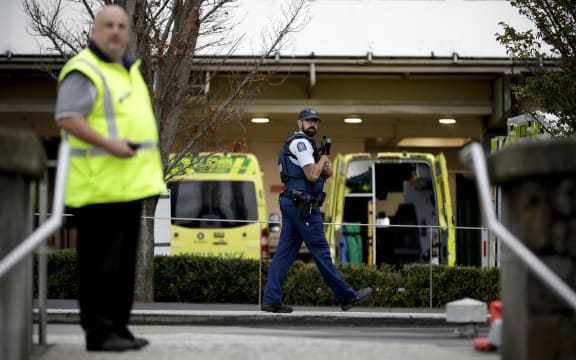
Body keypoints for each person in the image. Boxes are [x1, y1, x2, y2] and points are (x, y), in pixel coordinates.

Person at [54, 5, 166, 352]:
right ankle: (99, 333)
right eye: (108, 25)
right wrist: (109, 145)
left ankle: (118, 327)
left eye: (121, 26)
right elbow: (68, 117)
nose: (116, 31)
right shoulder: (85, 69)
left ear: (128, 34)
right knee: (99, 267)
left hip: (129, 185)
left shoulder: (127, 71)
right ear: (93, 32)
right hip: (98, 186)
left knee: (121, 268)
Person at [261, 108, 372, 313]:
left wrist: (324, 171)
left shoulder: (301, 144)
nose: (312, 124)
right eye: (308, 121)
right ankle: (346, 296)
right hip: (303, 206)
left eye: (315, 121)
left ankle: (271, 299)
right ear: (299, 123)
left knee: (284, 253)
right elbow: (312, 175)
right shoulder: (301, 143)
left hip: (294, 203)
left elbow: (316, 175)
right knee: (321, 251)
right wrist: (322, 161)